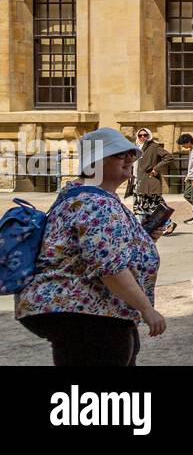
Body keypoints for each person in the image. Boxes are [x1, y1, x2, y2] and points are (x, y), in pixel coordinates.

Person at [15, 128, 167, 366]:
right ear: (96, 162)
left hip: (88, 311)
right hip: (86, 312)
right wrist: (146, 309)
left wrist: (144, 240)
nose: (129, 159)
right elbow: (109, 268)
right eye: (119, 155)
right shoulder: (94, 203)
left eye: (130, 153)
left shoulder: (86, 196)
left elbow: (99, 251)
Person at [128, 128, 175, 237]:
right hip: (137, 180)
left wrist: (156, 169)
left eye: (145, 135)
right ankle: (144, 229)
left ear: (149, 136)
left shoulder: (153, 146)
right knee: (140, 207)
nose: (142, 137)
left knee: (154, 205)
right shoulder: (136, 147)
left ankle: (169, 223)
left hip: (149, 181)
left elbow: (169, 157)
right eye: (140, 135)